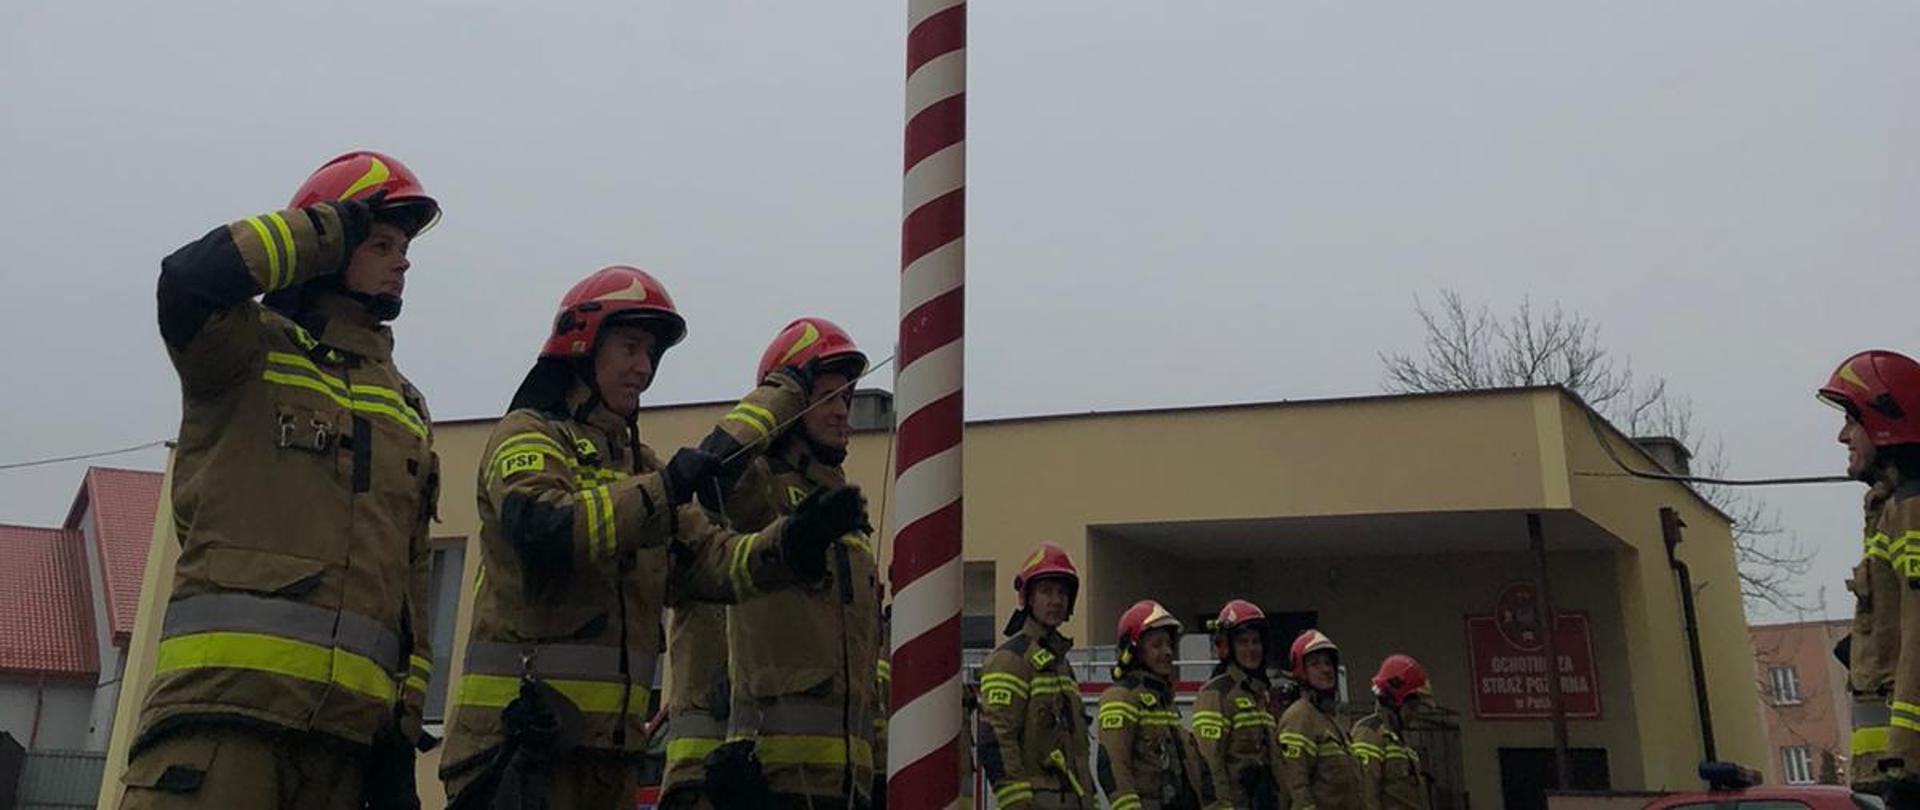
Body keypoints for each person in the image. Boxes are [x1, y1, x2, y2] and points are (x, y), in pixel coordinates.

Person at [438, 266, 867, 809]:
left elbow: (714, 563)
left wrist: (793, 543)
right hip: (514, 754)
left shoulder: (641, 466)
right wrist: (665, 488)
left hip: (608, 763)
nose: (643, 368)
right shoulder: (529, 434)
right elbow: (543, 529)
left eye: (651, 355)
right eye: (630, 348)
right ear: (582, 345)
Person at [123, 150, 441, 810]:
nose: (403, 260)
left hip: (344, 755)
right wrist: (324, 229)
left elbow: (410, 584)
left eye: (405, 247)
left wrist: (400, 738)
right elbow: (188, 280)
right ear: (331, 243)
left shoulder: (405, 406)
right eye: (381, 242)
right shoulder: (243, 348)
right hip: (218, 729)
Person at [683, 317, 885, 809]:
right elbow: (712, 466)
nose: (844, 413)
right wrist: (784, 392)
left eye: (848, 399)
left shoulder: (843, 513)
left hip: (849, 787)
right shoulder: (757, 490)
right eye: (829, 397)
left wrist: (879, 771)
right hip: (769, 782)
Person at [1819, 350, 1920, 806]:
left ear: (1884, 420)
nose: (1843, 436)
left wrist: (1907, 761)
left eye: (1851, 421)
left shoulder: (1913, 511)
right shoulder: (1892, 510)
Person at [976, 543, 1098, 809]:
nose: (1055, 600)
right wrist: (1017, 802)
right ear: (1028, 598)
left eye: (1062, 592)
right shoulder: (1011, 659)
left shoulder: (1062, 664)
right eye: (1046, 591)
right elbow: (997, 737)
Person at [1097, 600, 1224, 810]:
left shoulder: (1164, 703)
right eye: (1157, 645)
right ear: (1133, 651)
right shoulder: (1121, 697)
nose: (1167, 652)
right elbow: (1113, 766)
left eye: (1169, 644)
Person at [1194, 599, 1284, 810]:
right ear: (1228, 647)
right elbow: (1209, 764)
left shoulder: (1261, 695)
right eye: (1243, 642)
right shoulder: (1216, 694)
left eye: (1256, 641)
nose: (1252, 649)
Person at [1277, 630, 1365, 810]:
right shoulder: (1299, 718)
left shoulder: (1330, 721)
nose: (1325, 669)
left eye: (1327, 663)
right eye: (1315, 664)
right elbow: (1297, 786)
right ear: (1301, 671)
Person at [1352, 655, 1432, 810]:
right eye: (1412, 707)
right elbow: (1366, 796)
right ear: (1395, 702)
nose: (1414, 714)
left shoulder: (1398, 741)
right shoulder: (1369, 735)